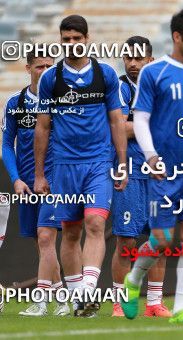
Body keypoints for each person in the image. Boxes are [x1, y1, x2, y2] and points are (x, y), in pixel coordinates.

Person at [120, 8, 183, 324]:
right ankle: (133, 282)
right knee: (161, 239)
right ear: (177, 36)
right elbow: (141, 119)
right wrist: (150, 155)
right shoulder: (154, 72)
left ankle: (181, 310)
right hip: (164, 169)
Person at [34, 15, 128, 317]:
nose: (72, 45)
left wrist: (122, 162)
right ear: (61, 41)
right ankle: (78, 299)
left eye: (77, 39)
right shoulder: (51, 79)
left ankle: (88, 288)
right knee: (70, 232)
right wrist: (39, 174)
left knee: (96, 224)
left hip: (98, 162)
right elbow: (43, 127)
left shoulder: (105, 75)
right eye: (66, 40)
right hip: (63, 166)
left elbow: (116, 120)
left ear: (87, 39)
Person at [2, 51, 69, 316]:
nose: (44, 70)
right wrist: (16, 178)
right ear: (28, 67)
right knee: (41, 243)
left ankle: (41, 301)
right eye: (39, 66)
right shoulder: (15, 102)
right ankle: (63, 299)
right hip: (27, 184)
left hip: (54, 181)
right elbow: (7, 144)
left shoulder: (62, 101)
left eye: (49, 66)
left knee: (45, 238)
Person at [110, 36, 171, 318]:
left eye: (138, 58)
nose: (133, 64)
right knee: (126, 242)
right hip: (130, 171)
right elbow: (120, 128)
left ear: (150, 59)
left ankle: (154, 303)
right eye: (128, 58)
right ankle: (120, 303)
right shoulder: (120, 88)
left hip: (159, 173)